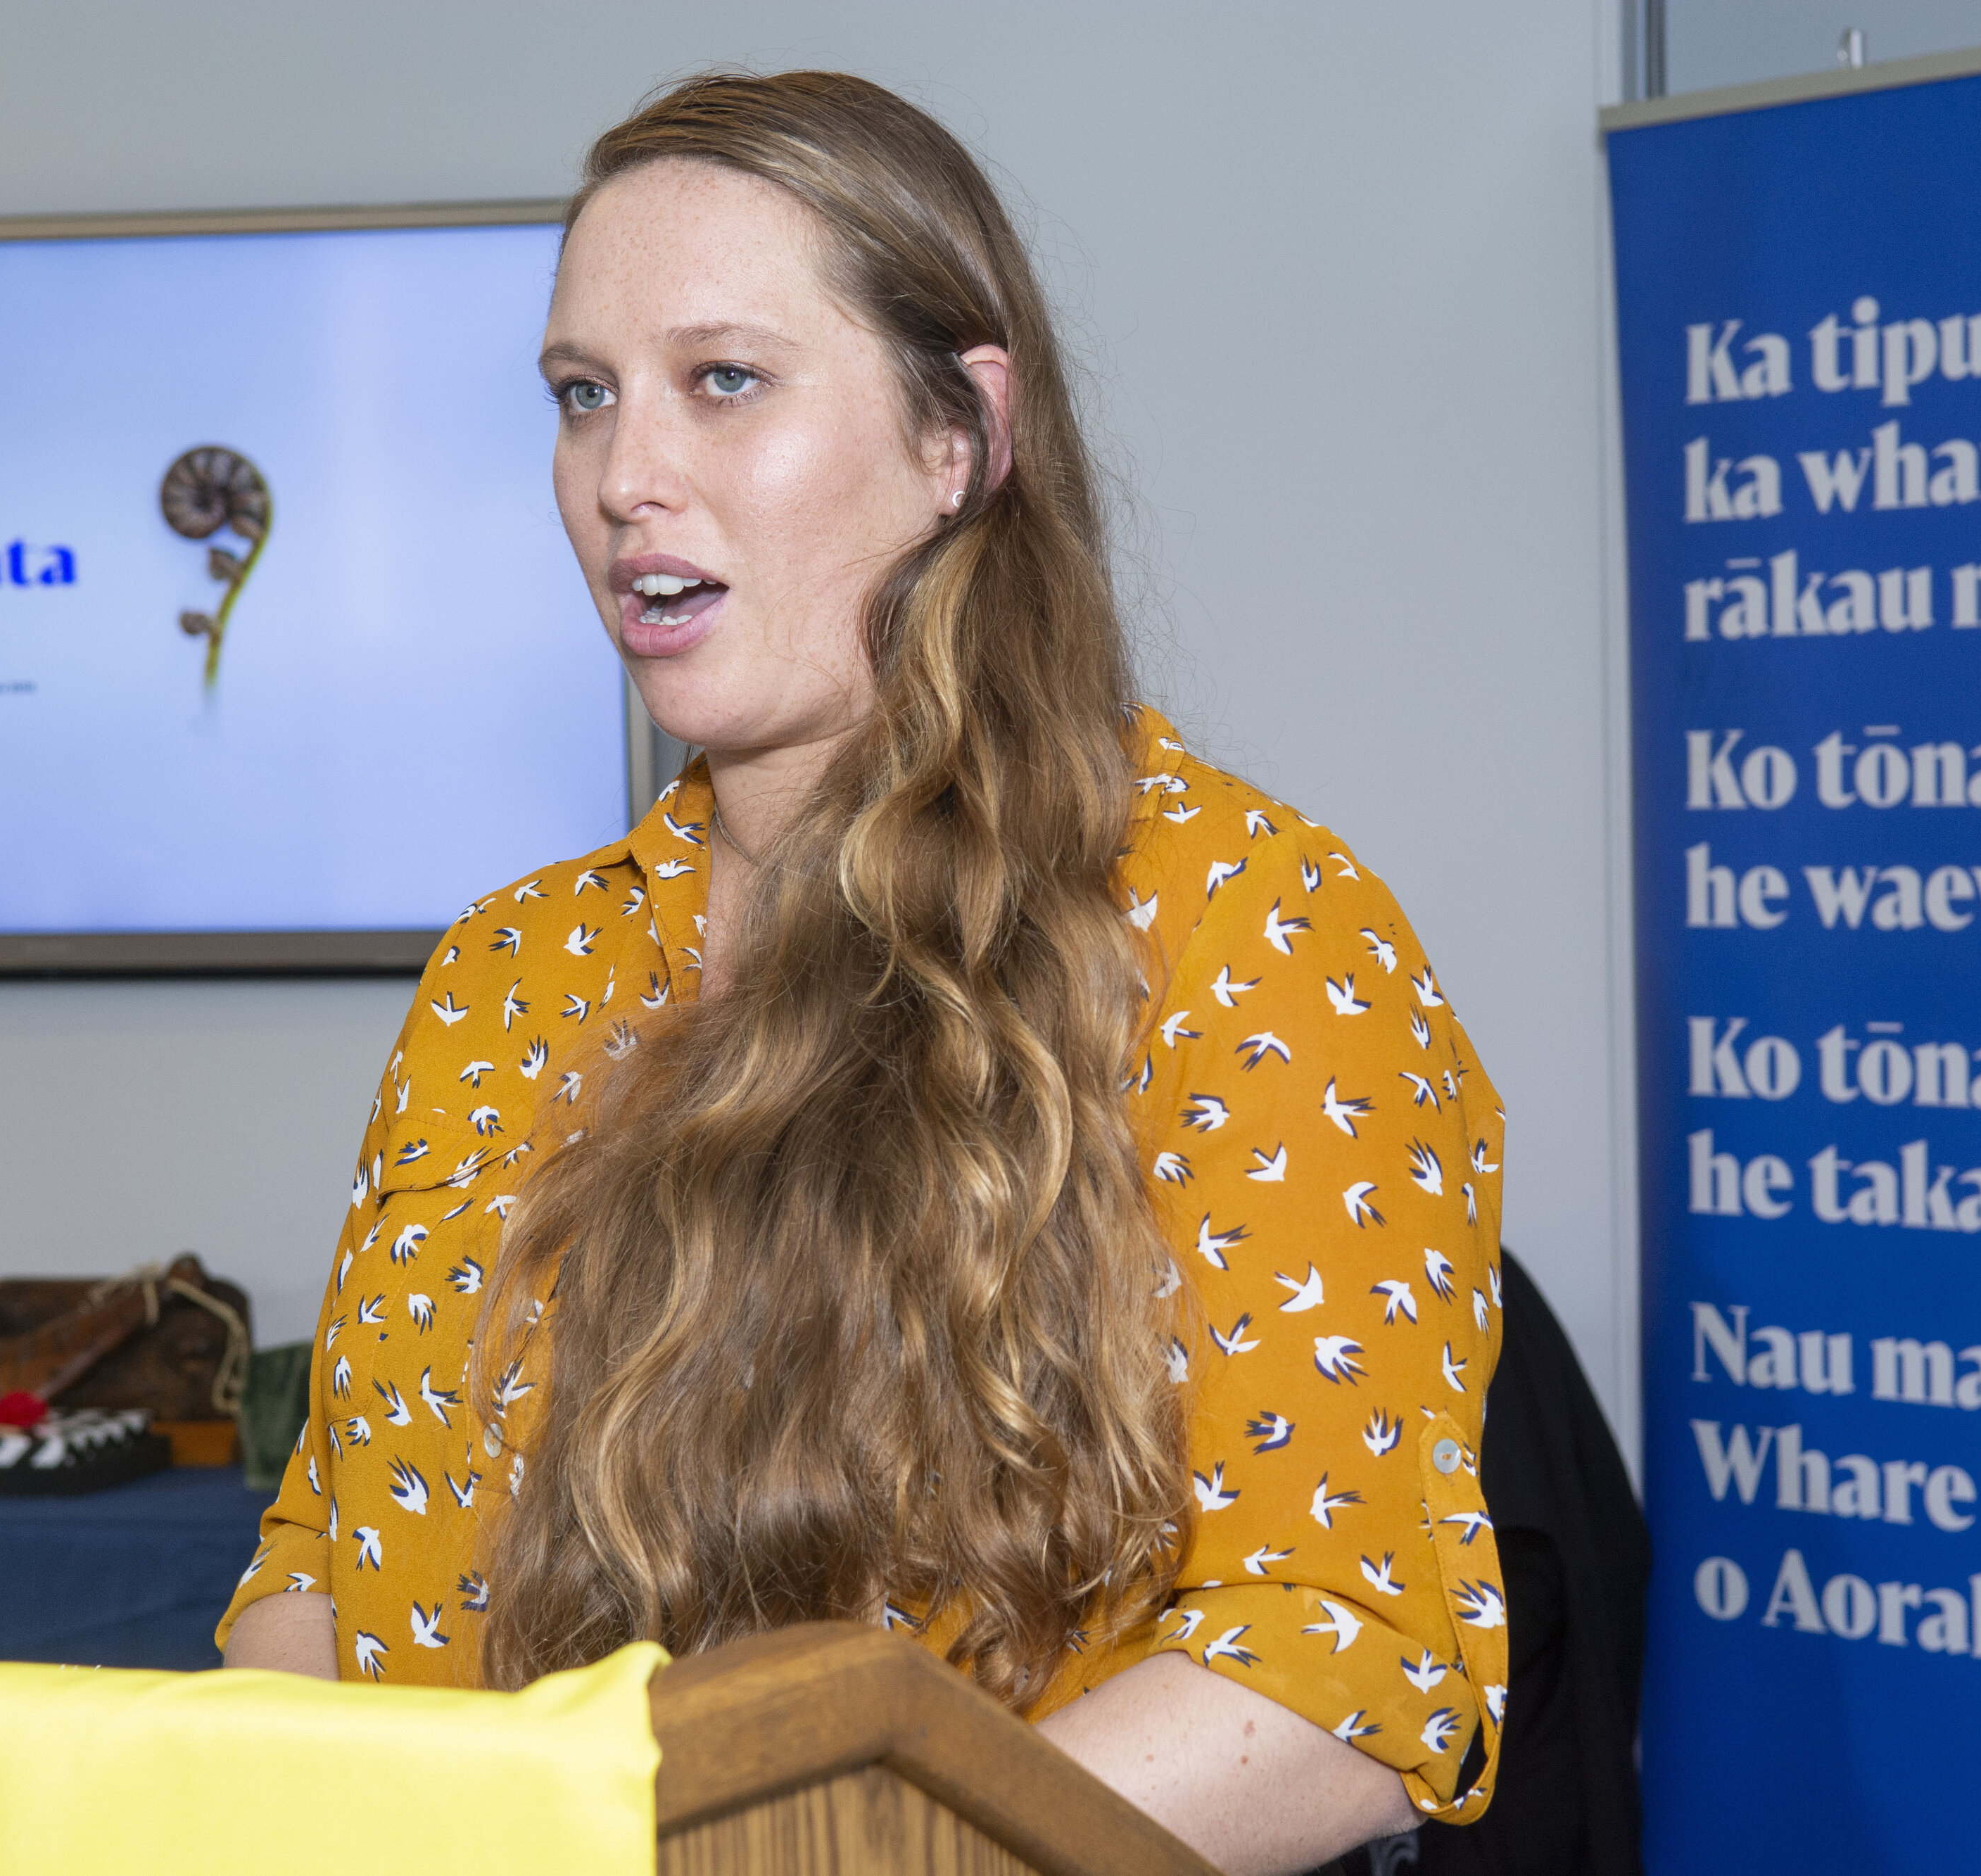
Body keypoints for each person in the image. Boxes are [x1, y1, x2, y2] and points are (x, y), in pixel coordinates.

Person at [217, 70, 1507, 1875]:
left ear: (956, 435)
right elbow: (328, 1580)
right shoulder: (507, 971)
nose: (624, 478)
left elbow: (1333, 1667)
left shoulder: (1242, 924)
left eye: (720, 381)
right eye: (582, 398)